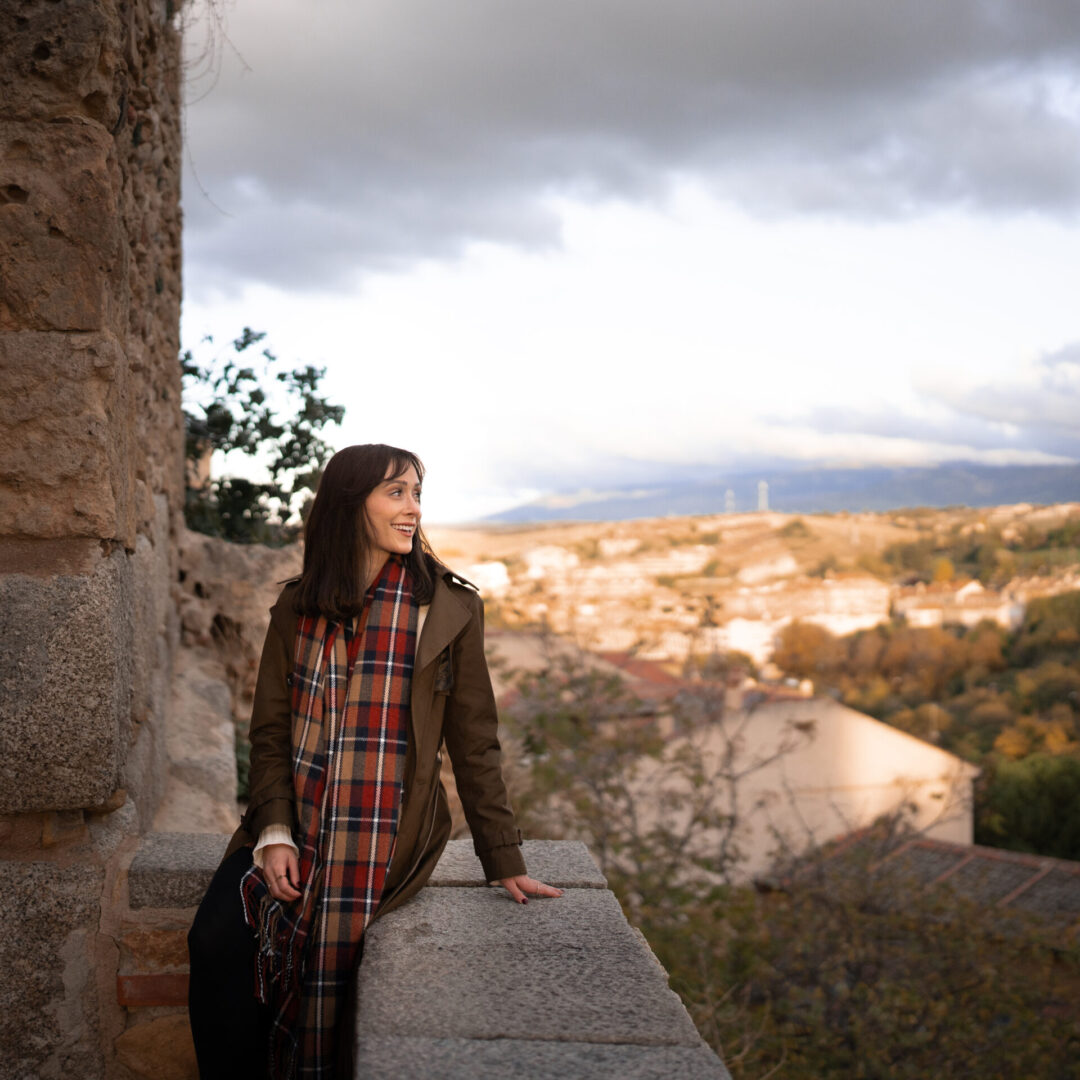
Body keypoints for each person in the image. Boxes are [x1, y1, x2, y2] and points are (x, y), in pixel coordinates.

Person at [188, 443, 561, 1080]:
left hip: (385, 841)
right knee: (215, 940)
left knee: (339, 971)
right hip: (298, 820)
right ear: (349, 503)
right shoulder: (298, 606)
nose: (413, 508)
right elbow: (272, 733)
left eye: (417, 493)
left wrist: (503, 857)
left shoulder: (448, 609)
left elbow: (474, 744)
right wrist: (274, 833)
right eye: (396, 493)